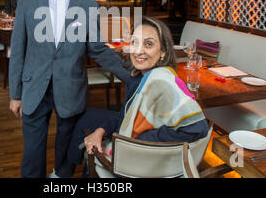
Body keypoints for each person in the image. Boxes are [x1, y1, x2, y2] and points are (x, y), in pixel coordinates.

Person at [9, 0, 130, 178]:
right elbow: (18, 49)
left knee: (66, 152)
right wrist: (15, 94)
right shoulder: (27, 1)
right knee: (32, 152)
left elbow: (97, 49)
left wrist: (132, 72)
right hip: (34, 88)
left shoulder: (88, 5)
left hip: (71, 89)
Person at [57, 16, 209, 177]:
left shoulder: (161, 82)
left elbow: (198, 127)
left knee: (88, 125)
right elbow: (126, 116)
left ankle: (68, 172)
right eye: (134, 42)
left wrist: (141, 139)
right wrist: (101, 130)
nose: (138, 50)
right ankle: (68, 170)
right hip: (137, 142)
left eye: (148, 44)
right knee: (89, 116)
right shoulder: (138, 77)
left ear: (163, 52)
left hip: (143, 160)